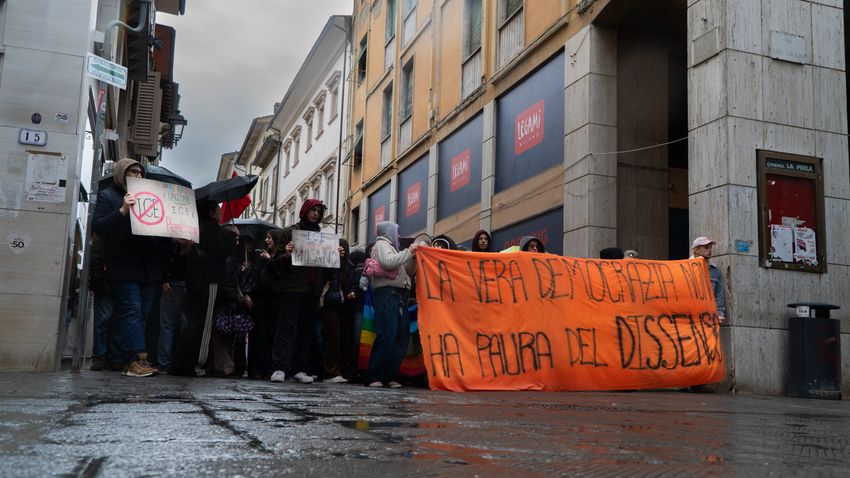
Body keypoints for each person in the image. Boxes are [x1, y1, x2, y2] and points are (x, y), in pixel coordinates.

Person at [92, 159, 163, 377]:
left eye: (140, 173)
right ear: (121, 174)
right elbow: (99, 226)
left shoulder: (150, 198)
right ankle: (136, 359)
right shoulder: (109, 196)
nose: (137, 177)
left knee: (140, 314)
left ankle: (123, 358)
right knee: (131, 310)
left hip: (148, 267)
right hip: (123, 265)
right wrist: (122, 210)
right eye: (132, 172)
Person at [269, 199, 341, 384]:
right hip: (292, 288)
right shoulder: (289, 232)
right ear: (305, 211)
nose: (316, 214)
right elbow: (275, 263)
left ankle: (299, 368)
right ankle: (279, 367)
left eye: (319, 211)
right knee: (286, 329)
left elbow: (329, 269)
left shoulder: (323, 237)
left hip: (312, 290)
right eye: (313, 210)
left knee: (306, 331)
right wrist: (286, 253)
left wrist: (337, 255)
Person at [169, 200, 239, 376]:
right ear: (211, 212)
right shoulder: (210, 229)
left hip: (196, 281)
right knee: (203, 325)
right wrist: (231, 237)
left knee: (194, 322)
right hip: (208, 282)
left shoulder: (197, 228)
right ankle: (193, 364)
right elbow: (219, 253)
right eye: (217, 209)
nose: (220, 212)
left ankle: (180, 363)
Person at [367, 221, 418, 388]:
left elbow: (408, 271)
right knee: (387, 334)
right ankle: (375, 376)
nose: (398, 235)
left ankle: (389, 375)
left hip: (400, 296)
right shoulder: (382, 244)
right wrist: (408, 251)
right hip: (387, 294)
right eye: (396, 232)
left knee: (400, 337)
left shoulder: (394, 249)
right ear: (388, 231)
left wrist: (413, 258)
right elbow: (388, 263)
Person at [156, 238, 193, 373]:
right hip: (188, 284)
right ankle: (181, 361)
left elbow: (164, 257)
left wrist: (165, 279)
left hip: (172, 282)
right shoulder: (193, 238)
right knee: (185, 324)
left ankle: (165, 363)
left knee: (167, 325)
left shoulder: (169, 241)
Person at [320, 239, 351, 384]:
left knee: (341, 339)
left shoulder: (347, 266)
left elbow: (348, 283)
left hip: (342, 305)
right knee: (331, 338)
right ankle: (331, 372)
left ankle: (338, 370)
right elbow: (326, 278)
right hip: (330, 303)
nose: (341, 251)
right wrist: (333, 259)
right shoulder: (330, 265)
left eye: (343, 248)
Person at [691, 236, 726, 324]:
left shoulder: (715, 270)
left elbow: (719, 294)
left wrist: (720, 313)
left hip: (707, 316)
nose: (710, 250)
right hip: (689, 316)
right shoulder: (685, 267)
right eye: (706, 247)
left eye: (710, 248)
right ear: (696, 250)